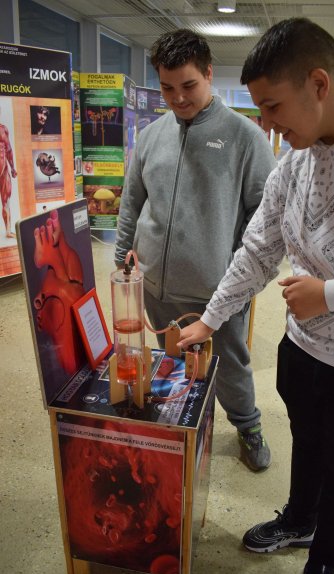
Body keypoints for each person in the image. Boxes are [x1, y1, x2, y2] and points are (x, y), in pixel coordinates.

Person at [177, 17, 334, 574]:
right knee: (306, 441)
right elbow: (257, 249)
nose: (267, 124)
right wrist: (210, 318)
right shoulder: (295, 162)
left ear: (319, 84)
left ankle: (323, 564)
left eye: (273, 106)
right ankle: (300, 519)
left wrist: (331, 294)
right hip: (304, 349)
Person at [114, 28, 277, 471]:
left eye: (188, 85)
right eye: (167, 88)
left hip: (216, 293)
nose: (178, 98)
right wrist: (123, 257)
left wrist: (236, 276)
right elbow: (132, 202)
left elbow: (266, 218)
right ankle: (180, 424)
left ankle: (247, 425)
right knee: (171, 363)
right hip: (156, 286)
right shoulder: (151, 136)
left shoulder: (246, 138)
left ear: (208, 73)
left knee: (231, 367)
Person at [0, 105, 17, 238]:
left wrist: (12, 167)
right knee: (6, 200)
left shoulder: (3, 129)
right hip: (3, 167)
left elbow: (9, 149)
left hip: (3, 167)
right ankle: (8, 231)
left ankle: (8, 230)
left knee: (6, 199)